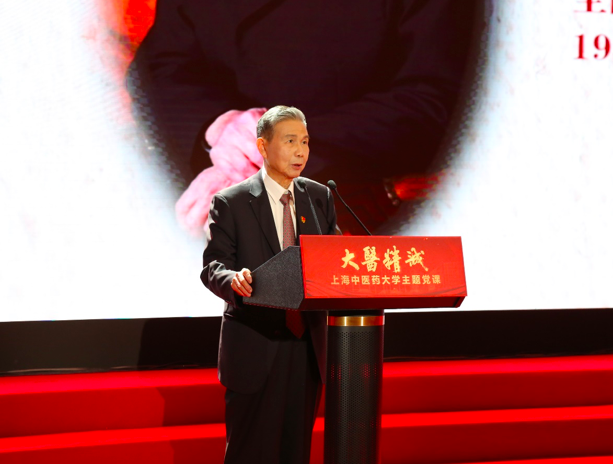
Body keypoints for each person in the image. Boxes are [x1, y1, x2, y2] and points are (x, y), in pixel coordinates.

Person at [127, 0, 476, 233]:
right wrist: (221, 127)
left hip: (365, 210)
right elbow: (160, 68)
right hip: (205, 198)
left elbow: (435, 99)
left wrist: (278, 152)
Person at [201, 106, 338, 463]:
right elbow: (213, 267)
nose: (300, 151)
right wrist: (233, 280)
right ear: (262, 146)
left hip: (306, 346)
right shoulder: (231, 201)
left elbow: (336, 259)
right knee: (250, 453)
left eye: (305, 142)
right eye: (290, 141)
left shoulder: (320, 198)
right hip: (255, 345)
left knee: (296, 451)